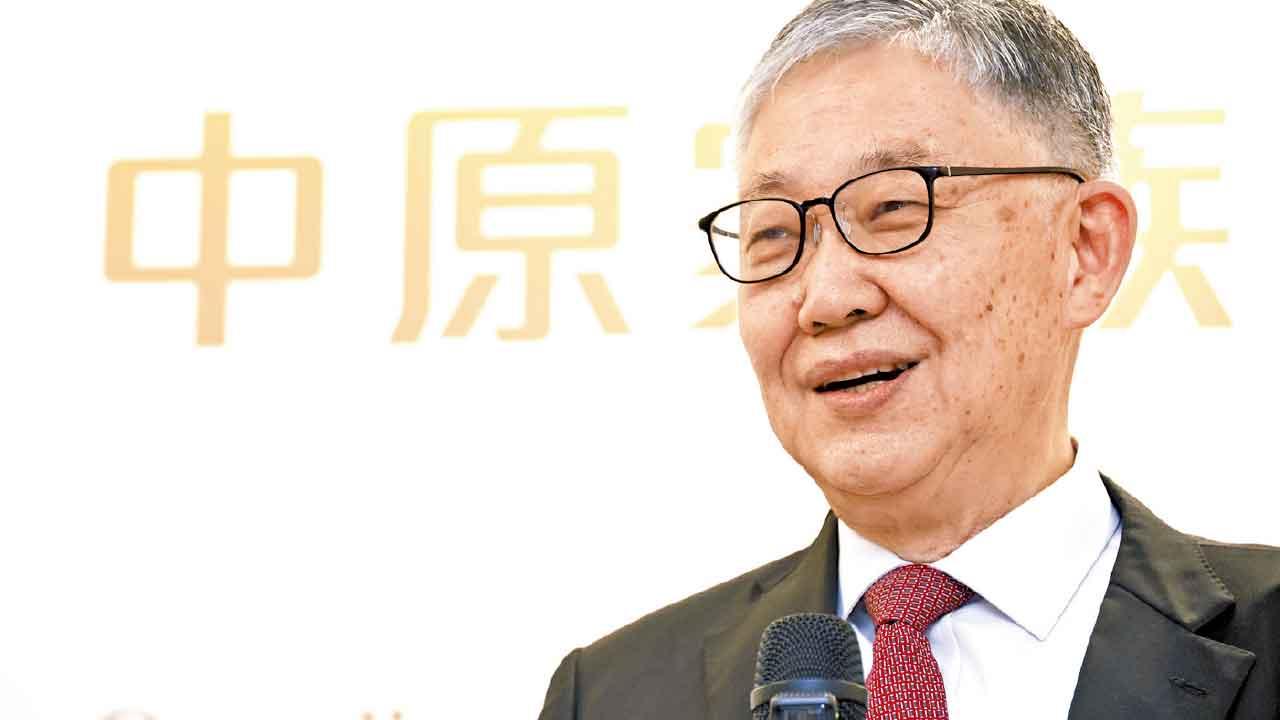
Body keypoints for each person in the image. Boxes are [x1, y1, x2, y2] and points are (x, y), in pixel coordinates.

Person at [537, 1, 1280, 718]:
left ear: (1084, 250)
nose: (826, 297)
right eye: (774, 235)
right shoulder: (609, 697)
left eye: (894, 209)